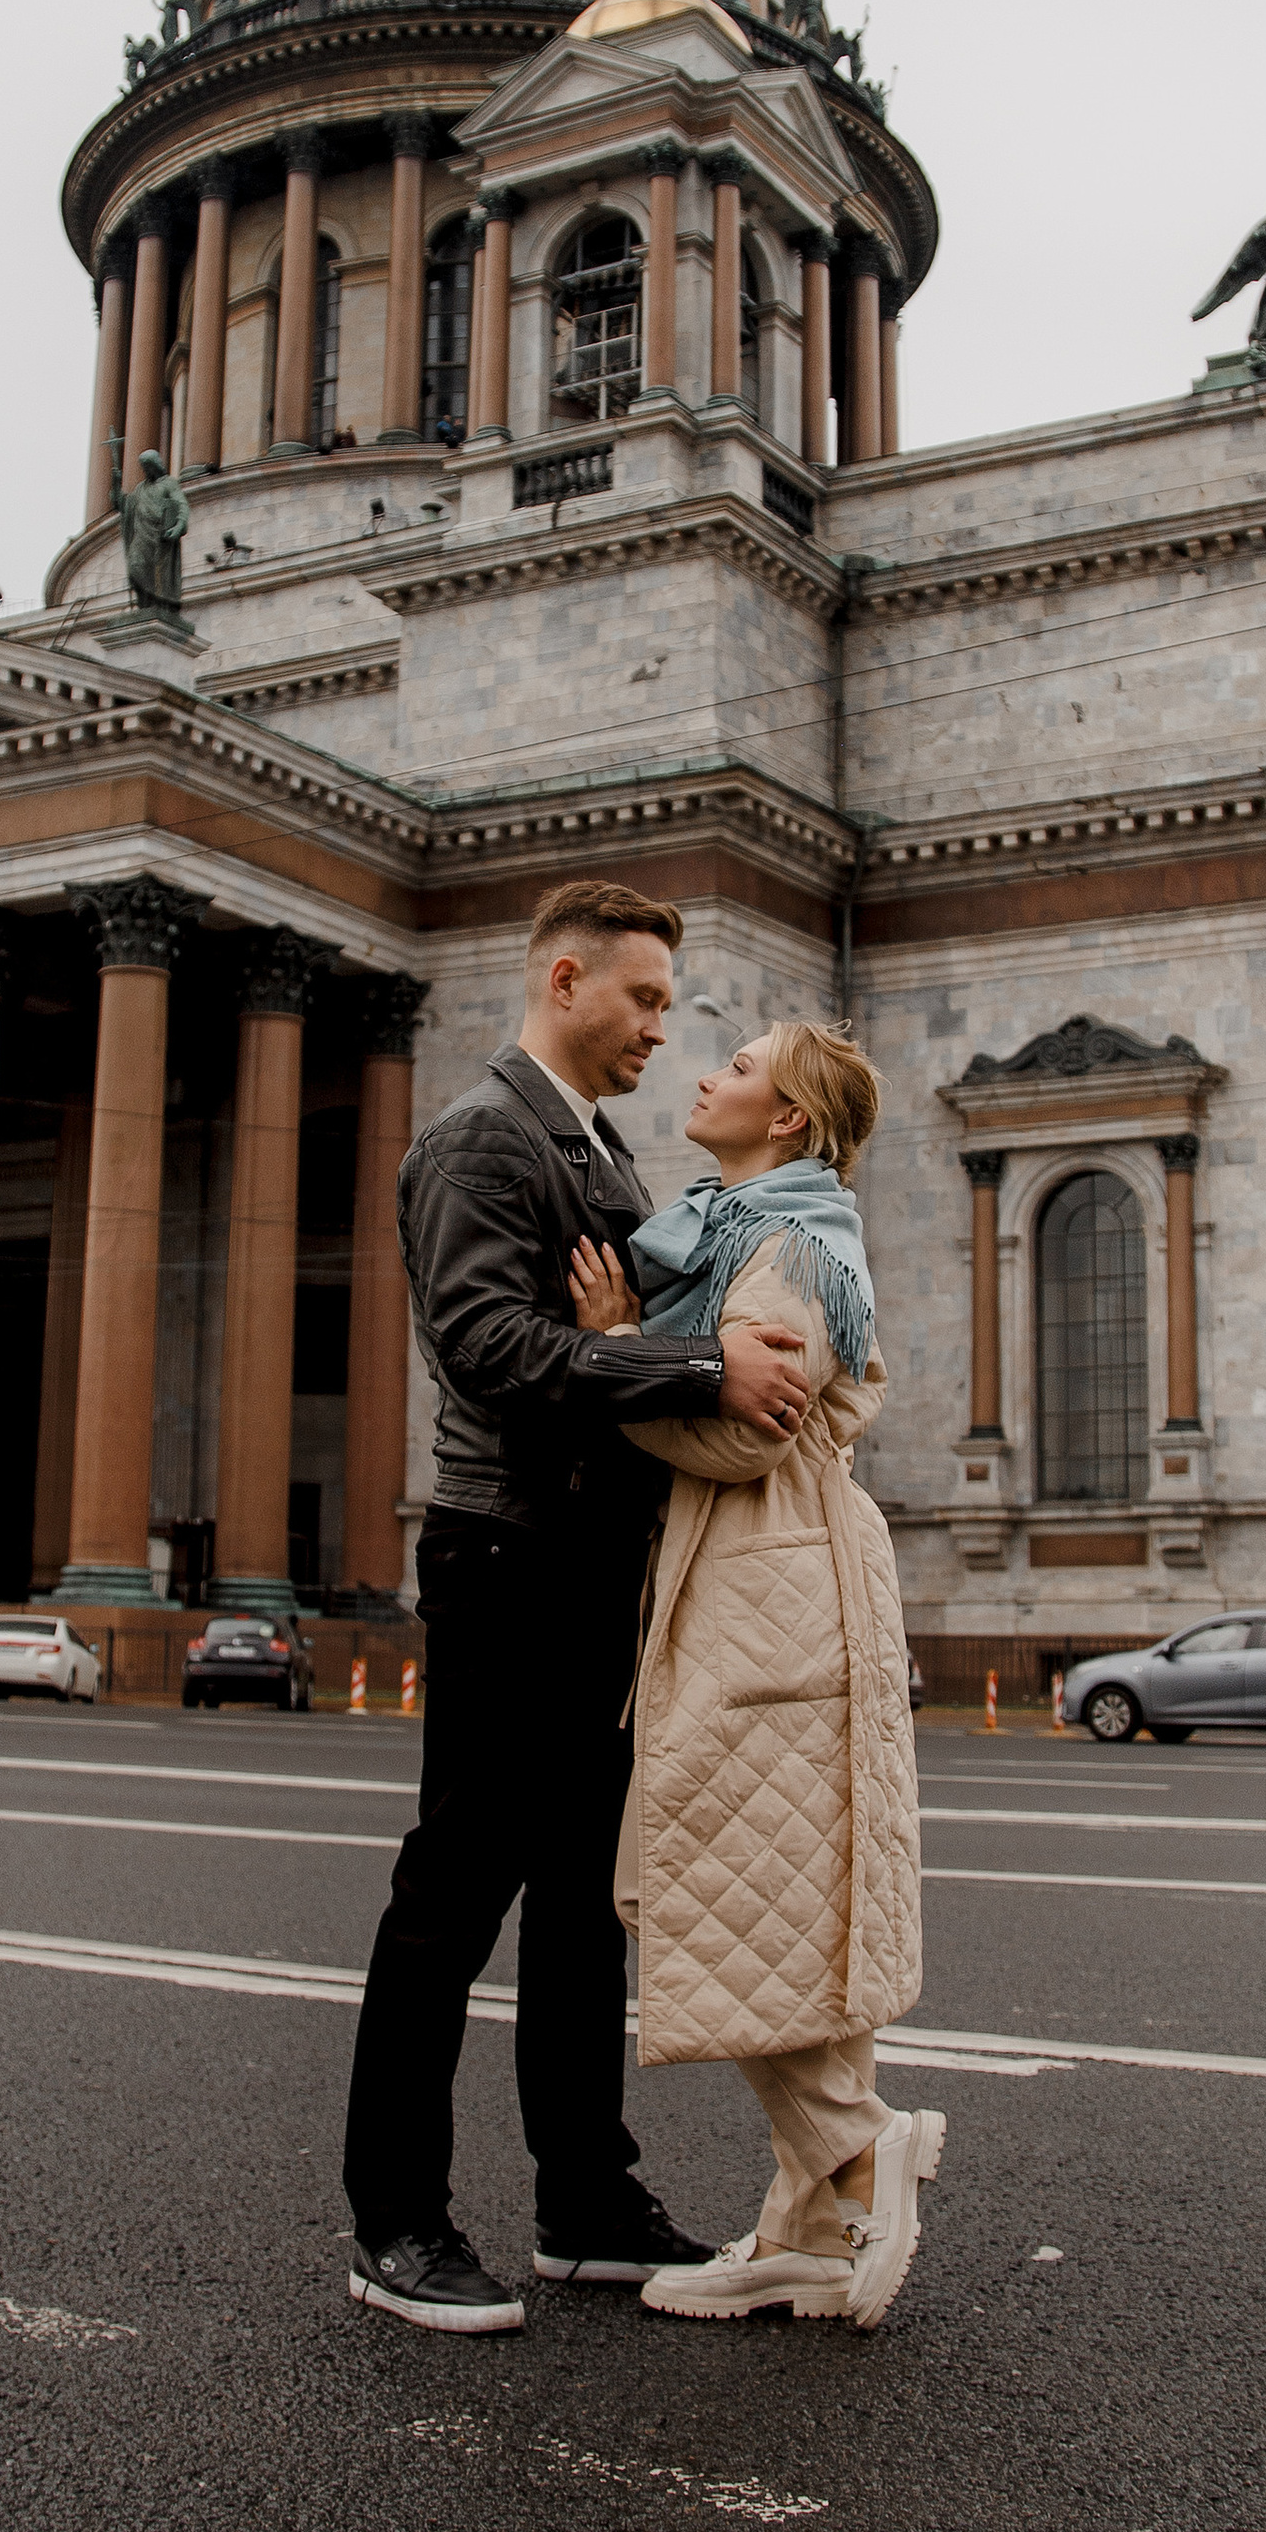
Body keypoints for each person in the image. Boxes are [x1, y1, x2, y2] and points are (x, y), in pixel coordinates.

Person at [340, 879, 813, 2336]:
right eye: (645, 1002)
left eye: (672, 1009)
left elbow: (630, 1321)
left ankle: (583, 2199)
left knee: (584, 1908)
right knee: (454, 1893)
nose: (661, 1035)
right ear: (564, 979)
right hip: (509, 1551)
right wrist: (691, 1374)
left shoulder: (592, 1144)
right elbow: (486, 1346)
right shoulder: (482, 1136)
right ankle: (397, 2221)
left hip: (595, 1560)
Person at [568, 1020, 933, 2328]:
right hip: (770, 1582)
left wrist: (612, 1352)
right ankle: (810, 2233)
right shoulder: (750, 1229)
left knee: (700, 1879)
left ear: (786, 1120)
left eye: (735, 1065)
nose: (706, 1074)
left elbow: (746, 1431)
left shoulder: (785, 1249)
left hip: (769, 1581)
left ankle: (851, 2147)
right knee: (789, 1901)